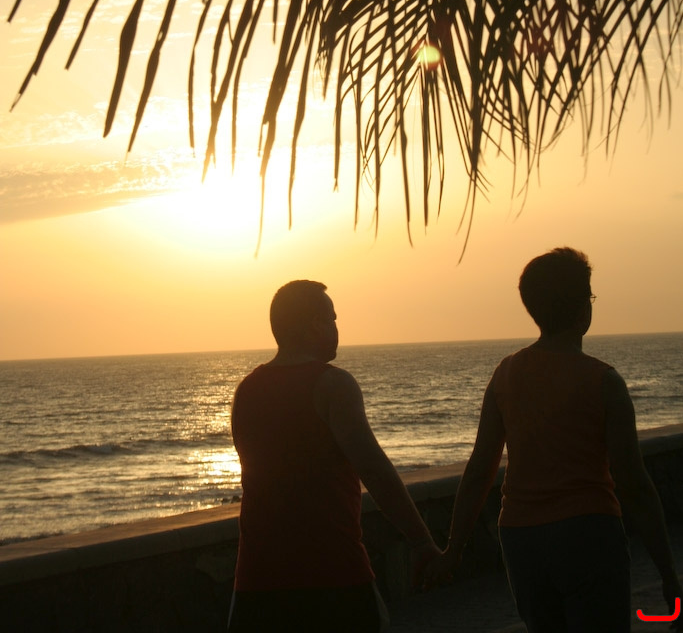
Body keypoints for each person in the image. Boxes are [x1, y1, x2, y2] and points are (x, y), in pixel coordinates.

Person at [426, 247, 683, 633]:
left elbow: (480, 470)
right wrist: (668, 573)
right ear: (583, 309)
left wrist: (454, 549)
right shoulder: (603, 382)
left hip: (521, 539)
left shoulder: (506, 375)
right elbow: (633, 483)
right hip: (589, 533)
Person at [228, 279, 440, 633]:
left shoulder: (246, 390)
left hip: (257, 580)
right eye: (333, 319)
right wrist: (421, 541)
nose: (337, 329)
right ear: (315, 324)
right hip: (332, 575)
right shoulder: (332, 384)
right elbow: (374, 469)